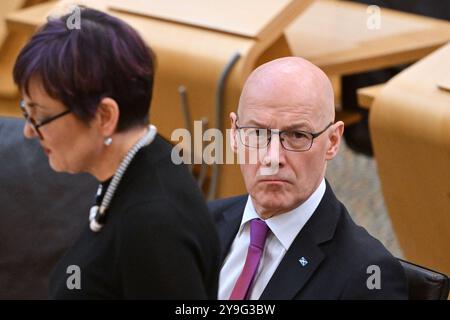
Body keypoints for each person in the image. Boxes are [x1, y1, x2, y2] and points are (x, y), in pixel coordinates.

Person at [12, 7, 220, 299]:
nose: (29, 131)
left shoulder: (152, 224)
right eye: (25, 110)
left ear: (105, 116)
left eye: (39, 115)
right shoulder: (150, 159)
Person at [209, 57, 408, 299]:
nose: (273, 158)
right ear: (234, 135)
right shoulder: (199, 223)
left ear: (333, 141)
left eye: (297, 135)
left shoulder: (367, 274)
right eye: (258, 133)